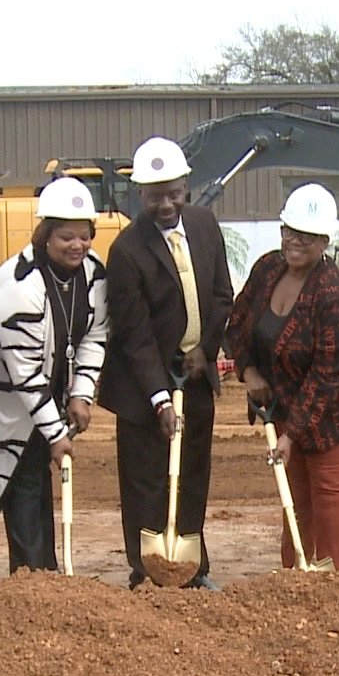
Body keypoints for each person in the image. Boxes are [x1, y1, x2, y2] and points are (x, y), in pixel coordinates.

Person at [97, 137, 234, 589]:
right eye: (155, 196)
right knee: (147, 481)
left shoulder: (204, 224)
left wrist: (205, 351)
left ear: (186, 187)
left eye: (173, 193)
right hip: (143, 386)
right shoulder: (127, 251)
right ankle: (146, 570)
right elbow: (134, 336)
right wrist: (160, 399)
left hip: (195, 374)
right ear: (140, 195)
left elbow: (221, 296)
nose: (165, 204)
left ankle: (194, 569)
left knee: (192, 473)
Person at [223, 184, 339, 569]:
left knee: (326, 489)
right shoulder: (268, 269)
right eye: (289, 231)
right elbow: (238, 324)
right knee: (294, 492)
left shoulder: (333, 295)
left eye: (306, 236)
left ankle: (331, 574)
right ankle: (295, 573)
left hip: (334, 408)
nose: (295, 241)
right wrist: (249, 371)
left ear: (324, 241)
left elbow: (327, 377)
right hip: (284, 400)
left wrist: (292, 434)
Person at [0, 178, 109, 572]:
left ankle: (46, 575)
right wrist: (56, 434)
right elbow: (26, 376)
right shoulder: (19, 286)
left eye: (84, 236)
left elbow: (94, 335)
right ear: (45, 235)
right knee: (25, 486)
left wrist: (82, 393)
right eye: (67, 237)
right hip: (10, 405)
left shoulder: (94, 274)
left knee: (40, 487)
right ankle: (33, 580)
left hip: (51, 395)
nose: (77, 245)